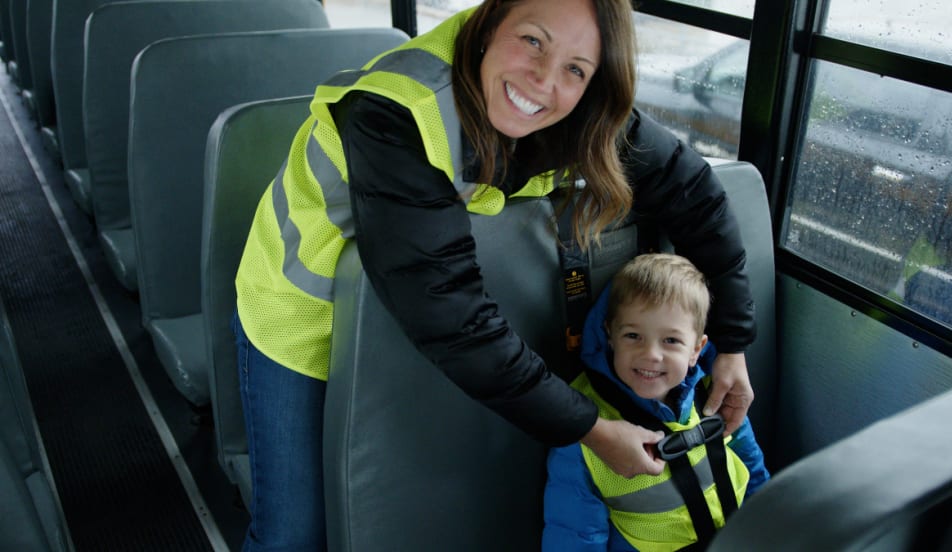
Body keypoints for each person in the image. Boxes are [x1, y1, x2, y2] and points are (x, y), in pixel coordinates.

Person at [233, 0, 756, 549]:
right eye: (532, 40)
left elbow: (695, 194)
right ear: (488, 26)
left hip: (408, 325)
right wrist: (593, 431)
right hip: (297, 315)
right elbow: (447, 310)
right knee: (293, 535)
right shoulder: (394, 111)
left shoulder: (582, 110)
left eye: (576, 68)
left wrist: (732, 346)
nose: (544, 80)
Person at [542, 253, 769, 551]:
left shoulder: (714, 393)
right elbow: (575, 534)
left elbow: (752, 469)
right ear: (610, 335)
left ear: (696, 349)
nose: (651, 354)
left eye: (671, 341)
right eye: (633, 335)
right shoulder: (584, 424)